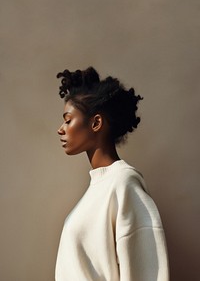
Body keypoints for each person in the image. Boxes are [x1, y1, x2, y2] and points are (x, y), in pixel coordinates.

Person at [55, 67, 169, 281]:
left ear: (96, 123)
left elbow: (147, 272)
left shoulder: (123, 183)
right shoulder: (97, 189)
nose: (60, 129)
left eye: (68, 120)